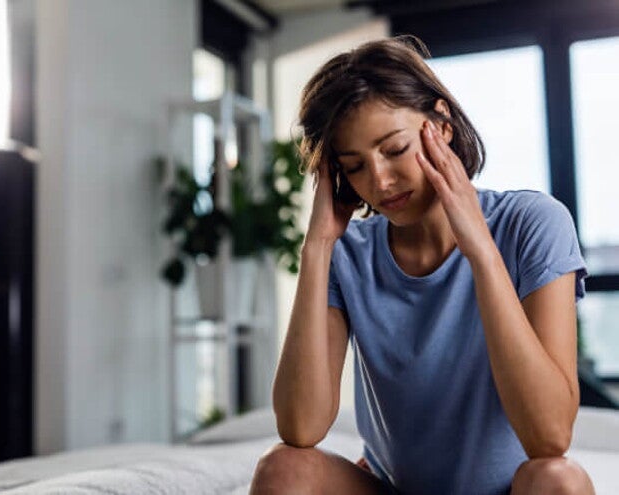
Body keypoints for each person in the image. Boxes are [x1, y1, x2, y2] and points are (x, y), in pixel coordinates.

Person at [249, 36, 595, 495]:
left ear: (441, 124)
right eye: (353, 166)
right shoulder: (346, 253)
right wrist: (317, 248)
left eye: (393, 150)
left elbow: (549, 437)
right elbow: (300, 427)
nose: (380, 181)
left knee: (559, 479)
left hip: (509, 490)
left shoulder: (533, 223)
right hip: (396, 489)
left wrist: (481, 251)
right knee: (283, 469)